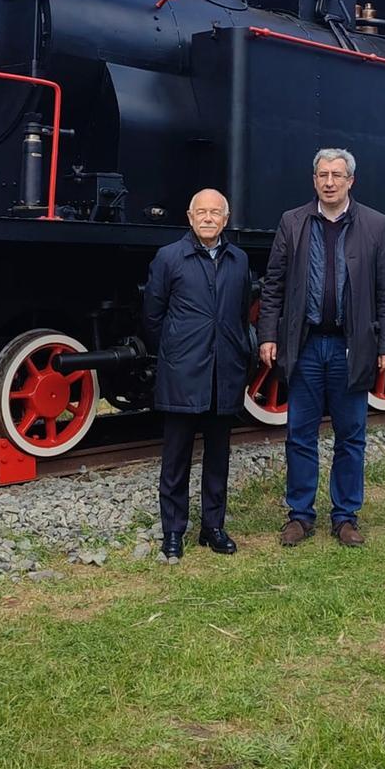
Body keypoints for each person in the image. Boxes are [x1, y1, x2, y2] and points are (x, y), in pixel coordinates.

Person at [257, 148, 385, 547]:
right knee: (299, 434)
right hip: (305, 346)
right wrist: (268, 335)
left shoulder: (375, 224)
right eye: (323, 174)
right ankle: (299, 515)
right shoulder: (293, 222)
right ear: (314, 179)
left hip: (350, 348)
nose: (330, 181)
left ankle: (345, 516)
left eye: (338, 174)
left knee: (351, 436)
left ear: (351, 180)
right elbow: (274, 285)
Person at [142, 189, 251, 564]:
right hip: (182, 373)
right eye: (201, 212)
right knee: (176, 457)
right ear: (190, 216)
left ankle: (213, 527)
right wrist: (178, 348)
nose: (208, 218)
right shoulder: (169, 258)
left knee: (218, 456)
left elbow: (239, 316)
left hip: (224, 373)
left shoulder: (239, 260)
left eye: (215, 212)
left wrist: (234, 352)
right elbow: (153, 317)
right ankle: (173, 531)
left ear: (226, 217)